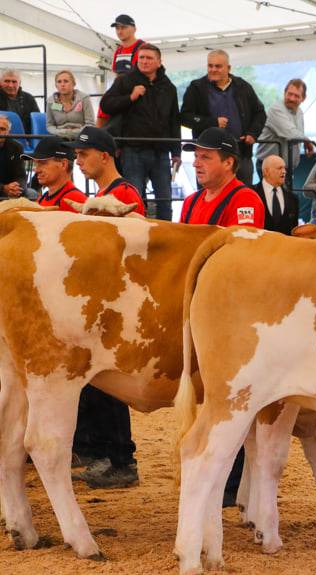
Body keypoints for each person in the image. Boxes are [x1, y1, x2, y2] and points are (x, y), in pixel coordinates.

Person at [180, 127, 264, 505]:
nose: (197, 162)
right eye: (196, 155)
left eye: (206, 156)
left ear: (230, 162)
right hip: (205, 305)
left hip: (237, 309)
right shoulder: (192, 200)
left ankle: (233, 480)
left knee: (235, 391)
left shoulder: (245, 199)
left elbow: (244, 256)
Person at [64, 126, 144, 488]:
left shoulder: (124, 194)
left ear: (105, 156)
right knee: (98, 381)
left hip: (116, 299)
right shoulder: (107, 194)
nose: (78, 161)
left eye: (83, 155)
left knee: (110, 383)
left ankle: (122, 460)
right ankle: (108, 455)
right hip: (104, 299)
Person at [100, 43, 181, 221]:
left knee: (165, 200)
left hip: (161, 151)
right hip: (132, 149)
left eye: (149, 58)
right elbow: (105, 105)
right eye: (141, 58)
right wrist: (130, 97)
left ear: (159, 62)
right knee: (135, 199)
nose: (144, 61)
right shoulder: (125, 81)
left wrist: (177, 151)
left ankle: (167, 237)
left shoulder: (169, 87)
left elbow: (174, 120)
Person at [180, 50, 266, 186]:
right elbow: (185, 117)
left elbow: (260, 113)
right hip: (208, 155)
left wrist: (252, 133)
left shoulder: (242, 86)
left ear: (228, 68)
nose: (213, 69)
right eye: (210, 66)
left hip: (240, 153)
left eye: (218, 66)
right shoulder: (196, 87)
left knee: (242, 196)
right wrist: (212, 122)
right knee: (208, 196)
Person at [97, 14, 146, 129]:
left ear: (134, 29)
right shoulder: (118, 51)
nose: (119, 31)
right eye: (117, 28)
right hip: (121, 89)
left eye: (123, 27)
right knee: (103, 108)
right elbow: (116, 74)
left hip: (137, 91)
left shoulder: (142, 48)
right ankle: (99, 141)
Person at [256, 78, 314, 176]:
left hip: (287, 168)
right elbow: (291, 134)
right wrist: (306, 140)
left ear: (303, 98)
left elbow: (297, 134)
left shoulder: (299, 112)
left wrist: (304, 140)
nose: (291, 98)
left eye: (296, 96)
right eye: (289, 94)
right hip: (269, 166)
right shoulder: (276, 109)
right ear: (284, 93)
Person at [23, 136, 86, 211]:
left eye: (43, 163)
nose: (37, 170)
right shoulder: (43, 198)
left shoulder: (73, 199)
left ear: (63, 164)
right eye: (36, 164)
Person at [253, 154, 298, 234]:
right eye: (279, 168)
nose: (284, 171)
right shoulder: (251, 194)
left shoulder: (293, 198)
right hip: (258, 244)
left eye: (284, 168)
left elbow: (294, 231)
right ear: (266, 171)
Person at [45, 70, 95, 138]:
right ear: (56, 85)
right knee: (46, 144)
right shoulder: (51, 102)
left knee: (86, 143)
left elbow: (90, 124)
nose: (62, 84)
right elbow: (49, 125)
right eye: (59, 82)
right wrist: (60, 133)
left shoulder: (84, 99)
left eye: (66, 81)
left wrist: (75, 133)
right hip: (59, 136)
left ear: (73, 84)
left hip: (82, 136)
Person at [0, 69, 40, 134]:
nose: (10, 85)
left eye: (14, 82)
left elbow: (36, 121)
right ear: (0, 83)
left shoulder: (29, 98)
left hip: (25, 137)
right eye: (7, 81)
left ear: (19, 83)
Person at [0, 115, 27, 199]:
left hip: (10, 192)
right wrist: (3, 188)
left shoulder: (17, 147)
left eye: (2, 129)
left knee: (32, 194)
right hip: (4, 189)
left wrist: (17, 188)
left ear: (8, 132)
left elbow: (21, 176)